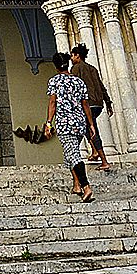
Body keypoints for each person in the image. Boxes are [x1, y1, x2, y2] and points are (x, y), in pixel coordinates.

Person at [44, 51, 97, 202]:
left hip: (65, 123)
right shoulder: (79, 82)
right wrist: (91, 124)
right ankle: (76, 185)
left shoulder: (54, 81)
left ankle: (86, 186)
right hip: (80, 123)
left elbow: (53, 103)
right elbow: (85, 104)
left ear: (56, 66)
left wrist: (48, 122)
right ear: (67, 64)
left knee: (73, 154)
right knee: (70, 152)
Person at [70, 43, 112, 171]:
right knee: (87, 127)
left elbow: (75, 88)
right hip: (98, 103)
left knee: (92, 129)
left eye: (73, 55)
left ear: (78, 56)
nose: (71, 58)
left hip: (87, 104)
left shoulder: (76, 68)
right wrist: (108, 102)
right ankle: (94, 152)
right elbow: (100, 85)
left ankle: (104, 160)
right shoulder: (92, 68)